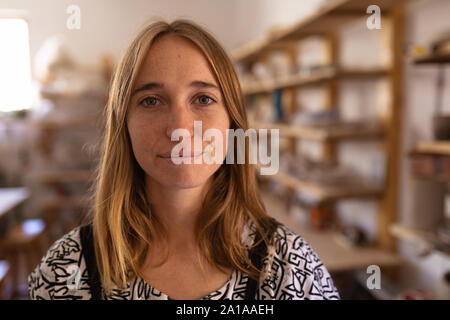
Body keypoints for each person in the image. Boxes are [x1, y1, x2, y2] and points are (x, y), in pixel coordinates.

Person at [28, 19, 340, 300]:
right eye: (151, 101)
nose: (179, 127)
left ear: (233, 122)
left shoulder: (289, 267)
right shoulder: (66, 271)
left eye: (203, 99)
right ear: (124, 125)